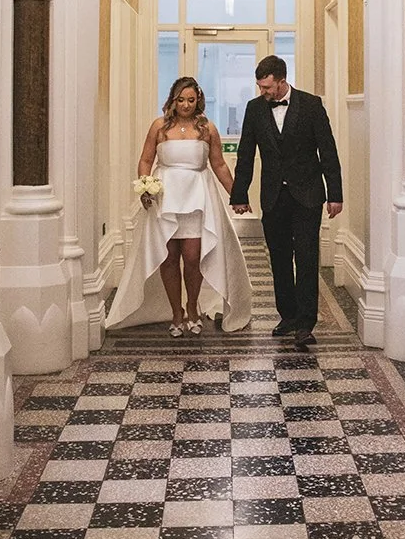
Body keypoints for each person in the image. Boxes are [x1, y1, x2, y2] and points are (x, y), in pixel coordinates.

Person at [106, 76, 252, 337]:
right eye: (181, 100)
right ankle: (176, 313)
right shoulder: (159, 127)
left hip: (197, 199)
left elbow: (218, 165)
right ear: (173, 100)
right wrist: (145, 185)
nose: (186, 105)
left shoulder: (207, 128)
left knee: (193, 257)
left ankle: (192, 308)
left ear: (198, 101)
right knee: (169, 258)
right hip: (165, 199)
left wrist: (237, 195)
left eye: (191, 100)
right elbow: (145, 159)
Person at [231, 54, 343, 349]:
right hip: (273, 197)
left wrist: (335, 194)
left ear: (282, 80)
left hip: (307, 195)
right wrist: (239, 195)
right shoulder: (254, 109)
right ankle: (289, 316)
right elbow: (246, 154)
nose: (263, 92)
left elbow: (327, 151)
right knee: (279, 259)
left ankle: (306, 323)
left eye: (267, 87)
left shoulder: (311, 105)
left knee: (306, 258)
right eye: (260, 87)